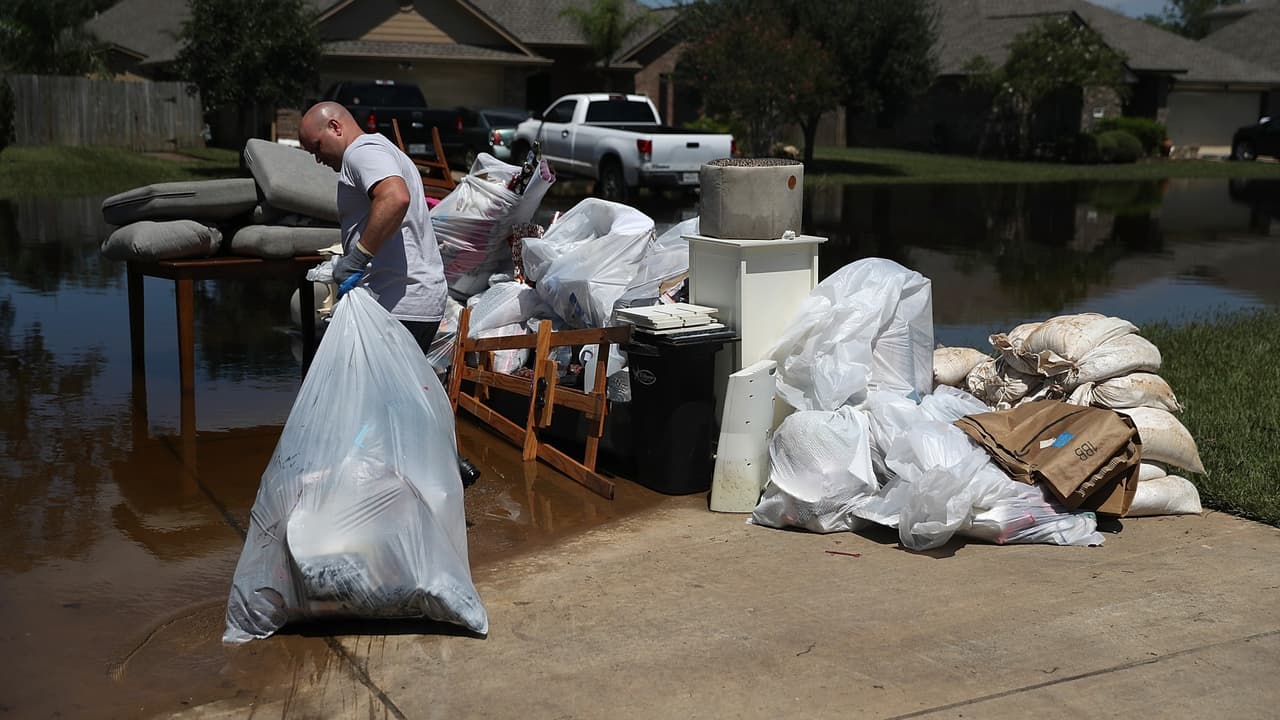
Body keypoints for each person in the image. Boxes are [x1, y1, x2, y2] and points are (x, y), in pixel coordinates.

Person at [299, 101, 479, 486]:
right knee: (391, 400)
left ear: (335, 127)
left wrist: (357, 257)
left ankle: (437, 471)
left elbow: (395, 198)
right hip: (411, 299)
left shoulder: (361, 153)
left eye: (316, 147)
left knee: (367, 402)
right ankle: (439, 469)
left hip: (400, 302)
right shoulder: (381, 149)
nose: (317, 158)